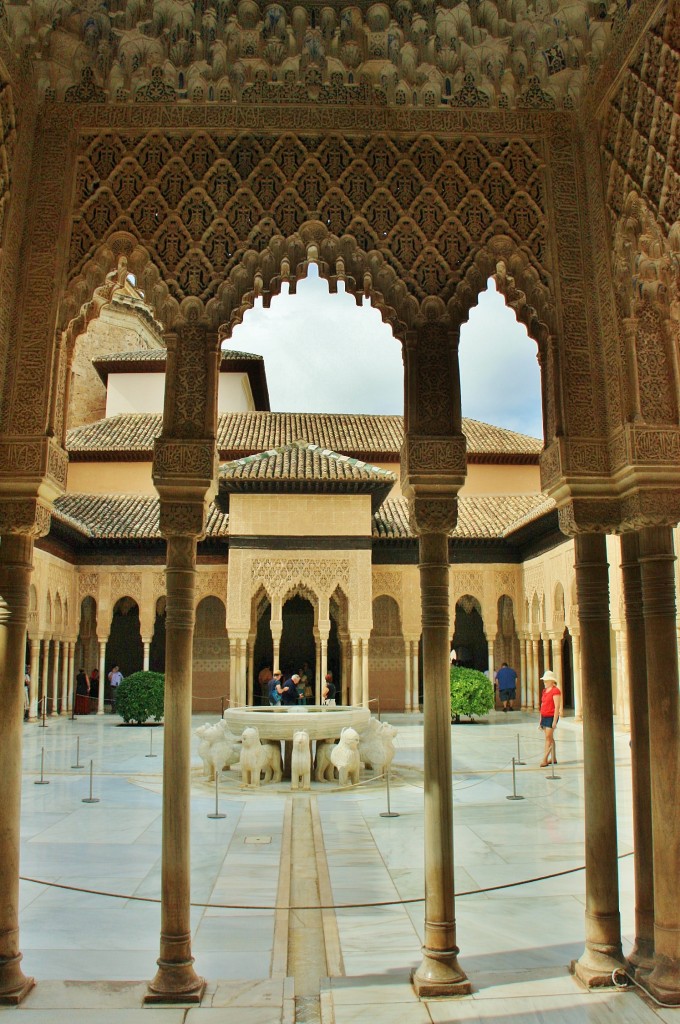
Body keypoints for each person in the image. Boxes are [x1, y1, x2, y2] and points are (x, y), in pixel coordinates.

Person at [539, 669, 562, 766]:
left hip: (551, 716)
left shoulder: (555, 691)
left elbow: (557, 706)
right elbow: (543, 704)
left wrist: (554, 721)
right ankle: (553, 758)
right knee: (550, 738)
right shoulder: (544, 691)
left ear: (552, 681)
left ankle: (545, 759)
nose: (544, 682)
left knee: (548, 738)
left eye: (546, 680)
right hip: (544, 715)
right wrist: (540, 719)